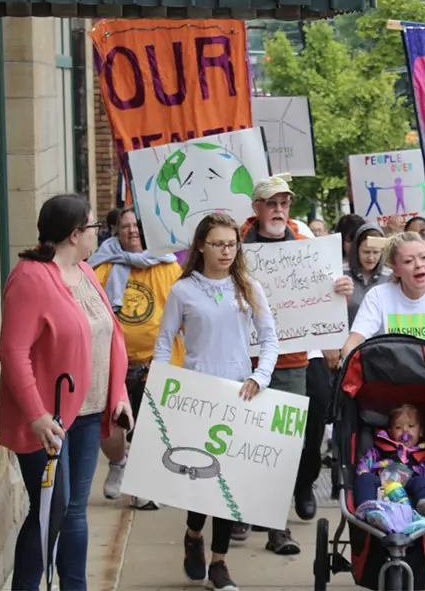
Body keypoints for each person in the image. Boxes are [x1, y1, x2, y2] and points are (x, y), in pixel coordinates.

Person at [0, 194, 133, 591]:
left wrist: (119, 393)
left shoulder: (86, 272)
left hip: (89, 414)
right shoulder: (30, 277)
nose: (98, 235)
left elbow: (108, 337)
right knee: (49, 512)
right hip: (50, 420)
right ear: (74, 234)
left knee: (74, 512)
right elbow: (12, 351)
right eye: (94, 228)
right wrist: (37, 415)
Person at [153, 213, 280, 590]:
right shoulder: (183, 290)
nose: (226, 251)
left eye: (232, 244)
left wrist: (260, 377)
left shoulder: (249, 288)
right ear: (201, 247)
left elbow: (270, 339)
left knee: (229, 483)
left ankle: (219, 563)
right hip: (197, 393)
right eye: (218, 244)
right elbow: (164, 343)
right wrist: (162, 383)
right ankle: (194, 535)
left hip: (239, 390)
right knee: (201, 475)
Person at [237, 176, 353, 554]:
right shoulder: (235, 248)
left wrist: (339, 291)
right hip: (242, 359)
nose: (279, 210)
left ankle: (276, 526)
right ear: (256, 207)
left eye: (284, 203)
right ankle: (239, 509)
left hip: (291, 361)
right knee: (245, 441)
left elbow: (325, 295)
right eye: (271, 203)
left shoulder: (307, 248)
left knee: (283, 444)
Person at [90, 206, 185, 509]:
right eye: (125, 225)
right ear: (115, 230)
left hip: (156, 363)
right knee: (111, 428)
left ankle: (143, 486)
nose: (132, 230)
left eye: (137, 226)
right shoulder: (101, 267)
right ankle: (119, 464)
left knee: (150, 429)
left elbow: (186, 312)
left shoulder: (168, 267)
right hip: (112, 365)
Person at [341, 231, 425, 364]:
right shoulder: (377, 296)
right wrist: (348, 360)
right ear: (395, 270)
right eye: (408, 261)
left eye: (424, 257)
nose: (419, 265)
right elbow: (354, 341)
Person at [355, 404, 425, 524]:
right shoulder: (381, 447)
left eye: (411, 426)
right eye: (398, 427)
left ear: (420, 431)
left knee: (424, 482)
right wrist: (363, 471)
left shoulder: (424, 453)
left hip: (410, 485)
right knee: (365, 479)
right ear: (390, 432)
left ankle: (424, 505)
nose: (405, 430)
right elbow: (367, 459)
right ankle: (367, 507)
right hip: (383, 484)